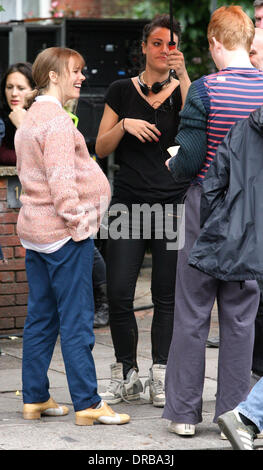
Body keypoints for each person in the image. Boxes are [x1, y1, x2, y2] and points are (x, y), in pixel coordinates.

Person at [15, 46, 130, 426]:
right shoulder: (59, 123)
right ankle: (88, 403)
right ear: (53, 76)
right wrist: (82, 227)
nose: (81, 77)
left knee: (41, 318)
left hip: (36, 234)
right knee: (77, 320)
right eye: (75, 71)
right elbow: (62, 185)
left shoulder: (29, 119)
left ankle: (35, 398)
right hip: (64, 236)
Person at [162, 5, 263, 437]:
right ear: (249, 40)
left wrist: (173, 163)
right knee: (241, 317)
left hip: (206, 205)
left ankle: (184, 414)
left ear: (215, 43)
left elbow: (187, 161)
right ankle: (235, 417)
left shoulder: (203, 91)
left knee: (192, 311)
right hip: (254, 213)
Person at [95, 14, 191, 407]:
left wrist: (184, 77)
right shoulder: (121, 90)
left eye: (171, 43)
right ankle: (127, 373)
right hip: (127, 204)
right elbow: (100, 146)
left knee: (166, 296)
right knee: (118, 293)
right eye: (156, 43)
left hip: (171, 204)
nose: (164, 50)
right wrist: (126, 125)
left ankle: (161, 372)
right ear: (144, 47)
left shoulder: (187, 89)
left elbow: (199, 126)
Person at [0, 62, 35, 165]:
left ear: (33, 91)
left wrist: (21, 125)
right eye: (9, 87)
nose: (14, 93)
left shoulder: (44, 117)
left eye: (21, 88)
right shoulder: (2, 118)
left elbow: (40, 157)